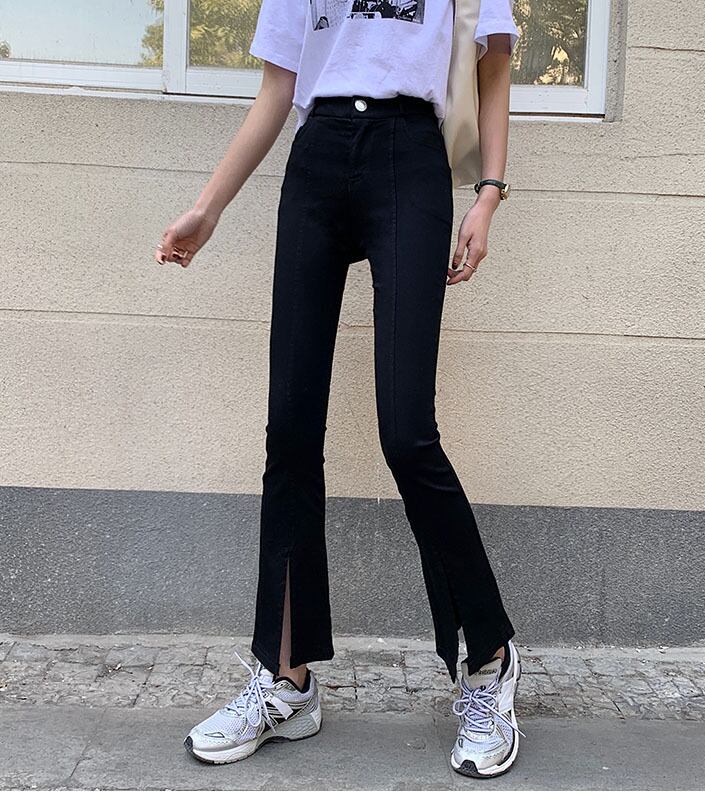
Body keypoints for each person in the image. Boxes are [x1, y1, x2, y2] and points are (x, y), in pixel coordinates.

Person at [154, 0, 521, 780]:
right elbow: (276, 91)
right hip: (318, 155)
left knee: (406, 432)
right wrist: (208, 209)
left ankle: (490, 659)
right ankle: (287, 681)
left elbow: (492, 66)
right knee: (289, 431)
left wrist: (487, 193)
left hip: (408, 156)